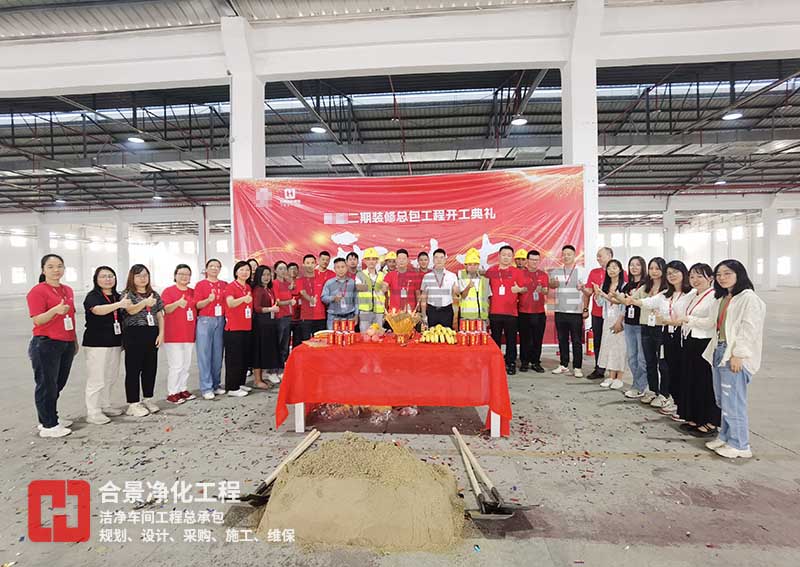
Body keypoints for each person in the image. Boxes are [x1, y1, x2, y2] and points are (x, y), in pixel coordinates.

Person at [685, 260, 765, 459]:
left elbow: (749, 329)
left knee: (733, 400)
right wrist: (687, 319)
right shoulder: (721, 298)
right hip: (718, 351)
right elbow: (710, 322)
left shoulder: (748, 298)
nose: (722, 278)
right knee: (722, 399)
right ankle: (725, 437)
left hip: (733, 354)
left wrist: (739, 354)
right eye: (719, 274)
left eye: (727, 273)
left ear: (739, 274)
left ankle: (740, 444)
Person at [27, 254, 79, 438]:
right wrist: (54, 310)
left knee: (58, 383)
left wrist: (74, 341)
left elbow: (71, 317)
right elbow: (37, 320)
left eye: (59, 266)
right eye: (50, 267)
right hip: (46, 343)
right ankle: (48, 426)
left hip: (66, 343)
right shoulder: (37, 291)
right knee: (46, 385)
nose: (56, 270)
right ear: (43, 270)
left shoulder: (67, 290)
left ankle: (49, 417)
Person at [82, 266, 131, 424]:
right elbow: (98, 310)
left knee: (110, 376)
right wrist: (119, 305)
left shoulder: (118, 296)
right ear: (96, 279)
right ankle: (93, 411)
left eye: (111, 276)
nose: (108, 279)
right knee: (97, 378)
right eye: (103, 276)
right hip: (97, 343)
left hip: (115, 342)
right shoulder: (93, 296)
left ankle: (105, 405)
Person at [619, 257, 668, 407]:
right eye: (652, 268)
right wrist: (617, 296)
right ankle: (652, 390)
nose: (654, 271)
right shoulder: (646, 287)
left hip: (661, 328)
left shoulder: (667, 288)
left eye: (657, 268)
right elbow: (630, 300)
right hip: (645, 326)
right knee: (649, 361)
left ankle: (664, 394)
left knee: (662, 363)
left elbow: (648, 302)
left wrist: (635, 301)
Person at [677, 263, 719, 437]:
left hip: (704, 342)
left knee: (705, 383)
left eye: (700, 276)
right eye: (692, 276)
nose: (695, 280)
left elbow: (712, 322)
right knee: (692, 380)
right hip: (690, 339)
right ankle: (695, 417)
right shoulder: (693, 295)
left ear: (710, 278)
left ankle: (710, 421)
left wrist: (690, 319)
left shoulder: (714, 296)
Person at [121, 264, 164, 417]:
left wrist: (161, 333)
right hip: (134, 334)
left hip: (152, 333)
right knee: (133, 370)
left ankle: (148, 399)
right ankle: (133, 403)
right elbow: (130, 310)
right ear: (132, 277)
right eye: (139, 275)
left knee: (150, 369)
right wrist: (144, 303)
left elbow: (159, 315)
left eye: (145, 275)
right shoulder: (127, 294)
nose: (142, 278)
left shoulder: (154, 294)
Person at [485, 245, 527, 376]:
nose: (506, 257)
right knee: (495, 339)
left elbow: (525, 288)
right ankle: (496, 363)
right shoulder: (491, 271)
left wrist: (519, 290)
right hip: (494, 311)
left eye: (509, 255)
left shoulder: (517, 272)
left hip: (511, 312)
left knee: (511, 340)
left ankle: (511, 363)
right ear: (499, 256)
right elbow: (485, 292)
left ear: (512, 257)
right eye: (504, 255)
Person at [548, 245, 588, 378]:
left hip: (576, 311)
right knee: (562, 339)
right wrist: (552, 283)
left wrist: (585, 308)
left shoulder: (581, 271)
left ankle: (577, 367)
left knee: (576, 340)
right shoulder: (557, 271)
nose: (566, 256)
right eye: (564, 254)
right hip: (560, 310)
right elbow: (552, 286)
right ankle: (563, 364)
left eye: (569, 254)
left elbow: (587, 292)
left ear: (574, 255)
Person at [161, 264, 197, 405]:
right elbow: (166, 309)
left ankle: (182, 389)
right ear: (175, 275)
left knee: (186, 365)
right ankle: (172, 393)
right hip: (173, 335)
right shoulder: (168, 291)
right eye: (181, 274)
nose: (184, 277)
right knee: (176, 365)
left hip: (189, 334)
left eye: (187, 274)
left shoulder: (192, 292)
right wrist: (177, 303)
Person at [194, 259, 227, 400]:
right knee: (204, 354)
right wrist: (208, 300)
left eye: (217, 266)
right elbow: (197, 305)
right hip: (205, 320)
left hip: (220, 319)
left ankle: (216, 384)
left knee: (218, 355)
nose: (214, 268)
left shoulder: (224, 284)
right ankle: (206, 387)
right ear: (206, 269)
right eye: (211, 266)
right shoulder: (200, 285)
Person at [592, 259, 627, 390]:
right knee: (610, 348)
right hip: (607, 320)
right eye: (609, 268)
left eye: (614, 267)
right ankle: (611, 376)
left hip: (620, 320)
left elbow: (624, 305)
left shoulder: (624, 286)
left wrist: (620, 321)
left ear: (620, 270)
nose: (611, 270)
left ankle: (619, 377)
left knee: (620, 349)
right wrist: (597, 294)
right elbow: (600, 303)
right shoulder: (604, 285)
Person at [584, 247, 615, 381]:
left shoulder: (620, 273)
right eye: (597, 256)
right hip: (597, 313)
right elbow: (588, 292)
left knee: (613, 343)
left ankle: (613, 371)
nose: (598, 258)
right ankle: (599, 368)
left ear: (609, 256)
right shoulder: (594, 272)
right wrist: (583, 290)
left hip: (613, 315)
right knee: (598, 342)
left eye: (600, 256)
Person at [619, 256, 648, 399]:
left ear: (643, 267)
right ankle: (638, 384)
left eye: (637, 265)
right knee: (632, 358)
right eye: (631, 265)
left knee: (642, 359)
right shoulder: (627, 285)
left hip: (642, 324)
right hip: (629, 324)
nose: (634, 267)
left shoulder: (647, 285)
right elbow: (623, 303)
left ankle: (639, 386)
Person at [224, 261, 254, 397]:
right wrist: (243, 299)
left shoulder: (247, 286)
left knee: (244, 357)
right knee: (234, 359)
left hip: (246, 326)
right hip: (234, 328)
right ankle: (232, 387)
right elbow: (230, 303)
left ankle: (240, 383)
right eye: (242, 270)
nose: (245, 272)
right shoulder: (231, 286)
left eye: (247, 270)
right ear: (236, 272)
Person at [518, 250, 549, 373]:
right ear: (527, 260)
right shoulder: (520, 274)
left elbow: (546, 290)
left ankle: (536, 362)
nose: (534, 262)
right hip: (523, 311)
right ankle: (524, 362)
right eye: (532, 260)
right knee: (525, 339)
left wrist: (543, 290)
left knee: (537, 338)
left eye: (536, 260)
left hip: (539, 311)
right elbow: (516, 290)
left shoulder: (543, 275)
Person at [252, 265, 282, 388]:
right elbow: (257, 308)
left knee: (265, 351)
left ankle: (261, 378)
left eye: (268, 274)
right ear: (259, 276)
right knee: (258, 352)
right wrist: (270, 309)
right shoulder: (258, 290)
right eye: (264, 275)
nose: (266, 277)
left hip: (269, 323)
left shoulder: (268, 289)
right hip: (261, 324)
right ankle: (257, 380)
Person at [420, 248, 459, 329]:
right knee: (431, 335)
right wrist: (423, 314)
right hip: (432, 311)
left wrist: (457, 291)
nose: (439, 260)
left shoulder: (452, 276)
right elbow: (423, 297)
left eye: (441, 257)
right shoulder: (427, 277)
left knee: (447, 334)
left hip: (447, 311)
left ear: (445, 260)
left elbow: (458, 294)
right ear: (433, 260)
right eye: (436, 258)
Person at [272, 261, 297, 369]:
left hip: (288, 316)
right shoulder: (274, 283)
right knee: (279, 343)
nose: (283, 271)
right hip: (279, 317)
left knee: (285, 345)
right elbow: (277, 302)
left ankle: (283, 367)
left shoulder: (287, 284)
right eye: (280, 268)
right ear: (275, 270)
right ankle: (275, 368)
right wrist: (289, 302)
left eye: (284, 269)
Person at [457, 248, 490, 325]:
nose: (472, 266)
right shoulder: (461, 279)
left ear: (478, 265)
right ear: (465, 266)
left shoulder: (484, 280)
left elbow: (487, 299)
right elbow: (462, 296)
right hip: (466, 318)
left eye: (475, 264)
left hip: (482, 318)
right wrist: (468, 287)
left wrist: (487, 316)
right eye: (470, 264)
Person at [355, 247, 386, 332]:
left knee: (378, 334)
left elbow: (385, 290)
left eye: (374, 259)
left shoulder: (382, 275)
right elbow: (358, 287)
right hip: (365, 310)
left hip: (379, 310)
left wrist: (369, 285)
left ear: (377, 261)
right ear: (364, 261)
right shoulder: (360, 274)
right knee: (364, 334)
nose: (371, 261)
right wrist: (376, 286)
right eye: (368, 259)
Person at [298, 254, 329, 340]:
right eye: (307, 263)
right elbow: (301, 293)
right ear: (303, 265)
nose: (310, 265)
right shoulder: (299, 280)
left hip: (321, 316)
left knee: (321, 343)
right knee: (306, 343)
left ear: (316, 264)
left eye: (312, 263)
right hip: (306, 317)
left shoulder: (323, 278)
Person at [321, 258, 358, 329]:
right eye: (338, 267)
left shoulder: (352, 282)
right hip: (333, 317)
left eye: (342, 267)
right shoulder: (329, 283)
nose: (340, 269)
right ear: (334, 269)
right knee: (333, 336)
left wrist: (356, 315)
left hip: (349, 317)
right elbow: (323, 298)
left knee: (349, 336)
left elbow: (356, 300)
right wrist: (333, 298)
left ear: (346, 268)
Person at [287, 262, 303, 349]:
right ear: (287, 271)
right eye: (291, 269)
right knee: (285, 343)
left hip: (299, 319)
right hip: (287, 318)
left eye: (295, 269)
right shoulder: (284, 283)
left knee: (297, 344)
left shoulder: (301, 283)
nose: (293, 271)